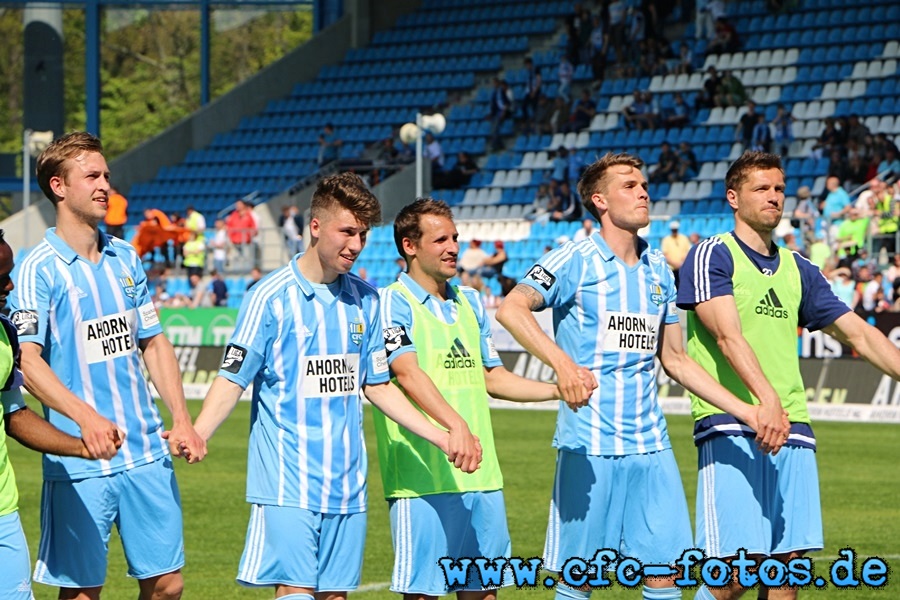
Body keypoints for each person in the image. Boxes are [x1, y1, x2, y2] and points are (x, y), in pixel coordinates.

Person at [496, 152, 781, 600]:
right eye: (628, 185)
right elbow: (512, 307)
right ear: (600, 201)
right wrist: (563, 365)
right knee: (580, 581)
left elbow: (678, 361)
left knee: (665, 578)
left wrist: (747, 409)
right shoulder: (574, 258)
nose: (643, 191)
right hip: (590, 444)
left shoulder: (660, 272)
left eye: (643, 184)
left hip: (652, 445)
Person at [184, 172, 465, 599]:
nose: (355, 244)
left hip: (347, 482)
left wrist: (441, 437)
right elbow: (232, 377)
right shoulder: (270, 297)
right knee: (296, 591)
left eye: (363, 234)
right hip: (286, 480)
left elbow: (379, 386)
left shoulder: (366, 301)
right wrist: (198, 431)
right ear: (315, 227)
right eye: (347, 231)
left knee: (333, 596)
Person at [675, 150, 900, 600]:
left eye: (779, 188)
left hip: (793, 426)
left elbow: (858, 333)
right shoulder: (712, 255)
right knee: (738, 572)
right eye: (762, 188)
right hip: (735, 423)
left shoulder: (799, 268)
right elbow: (727, 337)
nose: (774, 197)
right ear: (733, 197)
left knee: (789, 573)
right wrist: (766, 402)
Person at [8, 131, 205, 599]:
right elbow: (28, 362)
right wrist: (86, 419)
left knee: (168, 586)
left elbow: (154, 342)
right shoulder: (38, 269)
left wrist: (181, 419)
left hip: (145, 451)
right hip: (81, 458)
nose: (105, 186)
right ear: (59, 186)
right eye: (92, 176)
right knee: (82, 593)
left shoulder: (126, 257)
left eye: (107, 176)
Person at [376, 198, 565, 599]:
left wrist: (556, 390)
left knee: (483, 592)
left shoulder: (470, 301)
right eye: (440, 239)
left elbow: (492, 378)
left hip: (482, 474)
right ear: (410, 246)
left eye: (455, 238)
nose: (453, 247)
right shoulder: (391, 301)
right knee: (423, 594)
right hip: (422, 478)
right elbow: (407, 373)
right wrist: (455, 426)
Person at [0, 228, 116, 600]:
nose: (9, 286)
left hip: (2, 512)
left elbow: (14, 415)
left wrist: (82, 447)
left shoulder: (4, 336)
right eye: (1, 277)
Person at [661, 219, 692, 288]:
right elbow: (665, 254)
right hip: (671, 268)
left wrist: (681, 262)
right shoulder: (666, 240)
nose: (674, 231)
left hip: (683, 267)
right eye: (673, 230)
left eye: (675, 230)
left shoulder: (684, 238)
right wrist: (674, 264)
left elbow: (688, 251)